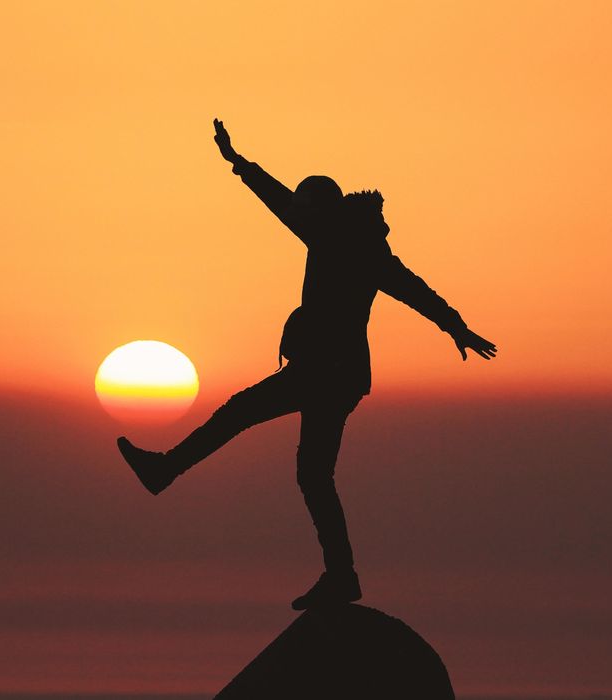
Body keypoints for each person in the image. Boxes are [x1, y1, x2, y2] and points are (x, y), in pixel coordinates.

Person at [118, 118, 497, 610]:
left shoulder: (335, 236)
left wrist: (240, 164)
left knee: (242, 415)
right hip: (340, 376)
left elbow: (284, 204)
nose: (298, 216)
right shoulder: (361, 243)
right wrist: (456, 327)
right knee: (313, 474)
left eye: (304, 209)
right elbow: (415, 289)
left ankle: (165, 471)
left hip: (324, 372)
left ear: (318, 209)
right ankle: (341, 576)